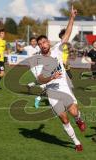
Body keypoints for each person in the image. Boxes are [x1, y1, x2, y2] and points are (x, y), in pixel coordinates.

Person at [34, 6, 85, 152]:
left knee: (74, 113)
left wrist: (72, 17)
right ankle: (76, 142)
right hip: (52, 93)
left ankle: (79, 119)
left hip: (64, 88)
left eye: (43, 42)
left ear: (48, 42)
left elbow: (67, 34)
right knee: (64, 118)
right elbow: (40, 79)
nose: (42, 45)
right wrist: (51, 77)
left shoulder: (57, 49)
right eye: (39, 44)